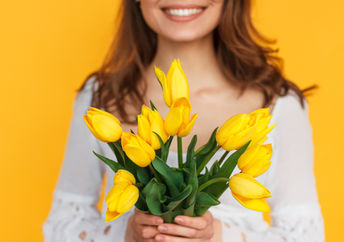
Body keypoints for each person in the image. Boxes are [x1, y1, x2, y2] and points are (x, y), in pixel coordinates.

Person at [43, 0, 325, 241]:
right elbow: (60, 225)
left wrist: (217, 234)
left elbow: (305, 236)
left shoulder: (279, 102)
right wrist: (125, 233)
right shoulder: (100, 96)